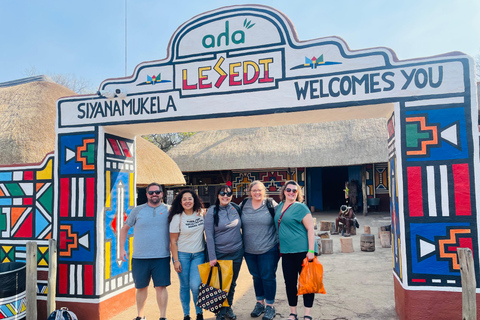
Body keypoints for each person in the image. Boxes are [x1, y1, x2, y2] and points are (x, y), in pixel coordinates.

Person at [120, 183, 170, 320]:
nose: (154, 194)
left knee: (161, 287)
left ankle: (163, 316)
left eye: (157, 192)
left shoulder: (169, 210)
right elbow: (124, 229)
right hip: (140, 256)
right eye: (151, 192)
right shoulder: (137, 210)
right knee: (141, 287)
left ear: (162, 194)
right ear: (147, 194)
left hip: (162, 256)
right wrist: (121, 249)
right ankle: (140, 316)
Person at [274, 180, 316, 320]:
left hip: (303, 251)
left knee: (307, 283)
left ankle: (307, 314)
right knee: (290, 283)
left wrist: (311, 250)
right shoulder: (279, 206)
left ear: (298, 193)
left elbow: (310, 229)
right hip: (286, 252)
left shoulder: (300, 207)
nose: (291, 192)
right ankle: (293, 312)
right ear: (284, 191)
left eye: (294, 190)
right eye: (289, 190)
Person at [241, 181, 279, 320]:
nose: (257, 193)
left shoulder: (270, 204)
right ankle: (259, 303)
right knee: (256, 276)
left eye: (260, 190)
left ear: (264, 191)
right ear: (250, 192)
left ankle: (270, 306)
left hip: (268, 248)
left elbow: (283, 218)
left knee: (268, 277)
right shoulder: (244, 204)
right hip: (249, 250)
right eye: (254, 190)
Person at [204, 185, 243, 320]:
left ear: (232, 196)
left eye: (228, 194)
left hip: (237, 252)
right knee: (220, 284)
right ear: (218, 195)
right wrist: (212, 257)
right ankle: (220, 311)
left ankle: (228, 308)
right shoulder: (212, 211)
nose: (225, 196)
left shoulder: (235, 208)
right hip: (220, 253)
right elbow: (208, 236)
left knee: (232, 283)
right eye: (222, 193)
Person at [169, 189, 206, 320]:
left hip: (199, 255)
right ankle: (186, 314)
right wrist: (176, 260)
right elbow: (173, 241)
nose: (187, 201)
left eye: (190, 198)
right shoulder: (177, 218)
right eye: (184, 199)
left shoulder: (201, 213)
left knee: (196, 285)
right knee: (184, 286)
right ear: (180, 202)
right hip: (182, 255)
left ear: (194, 200)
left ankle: (199, 312)